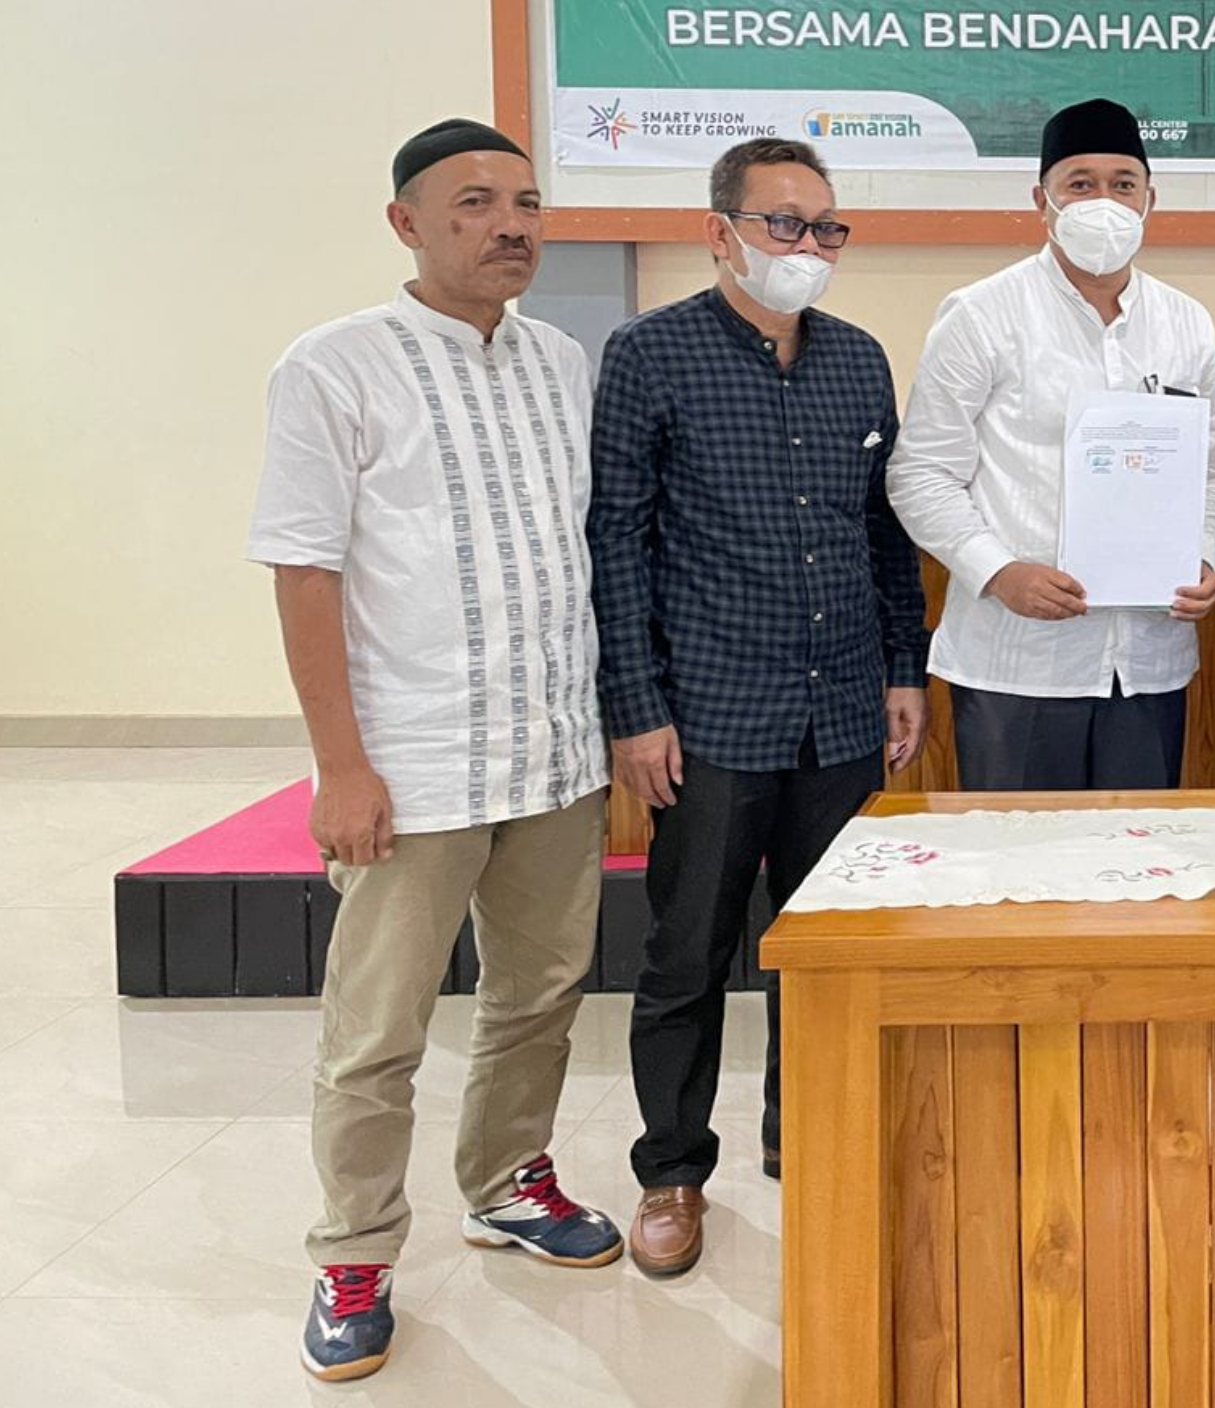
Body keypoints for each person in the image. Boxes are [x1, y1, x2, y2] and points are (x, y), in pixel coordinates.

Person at [249, 119, 621, 1385]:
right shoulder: (334, 365)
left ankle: (507, 1183)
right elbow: (304, 570)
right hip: (412, 765)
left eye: (525, 202)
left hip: (553, 753)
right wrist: (340, 766)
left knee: (540, 993)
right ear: (406, 223)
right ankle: (354, 1251)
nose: (509, 224)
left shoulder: (561, 361)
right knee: (378, 1029)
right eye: (473, 202)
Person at [587, 136, 930, 1279]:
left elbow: (881, 532)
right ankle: (672, 1171)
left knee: (823, 949)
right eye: (784, 223)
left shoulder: (857, 361)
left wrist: (904, 668)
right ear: (720, 232)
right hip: (711, 717)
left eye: (826, 227)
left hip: (842, 715)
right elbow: (616, 544)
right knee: (686, 954)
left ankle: (808, 1136)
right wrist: (635, 710)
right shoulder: (650, 355)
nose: (808, 246)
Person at [888, 98, 1215, 789]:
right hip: (1018, 665)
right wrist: (998, 571)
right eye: (1081, 184)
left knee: (1138, 851)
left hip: (1147, 664)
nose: (1103, 201)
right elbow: (919, 473)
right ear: (1041, 201)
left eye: (1122, 184)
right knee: (1019, 853)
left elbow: (1213, 471)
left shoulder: (1186, 323)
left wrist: (1204, 554)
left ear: (1149, 199)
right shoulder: (982, 315)